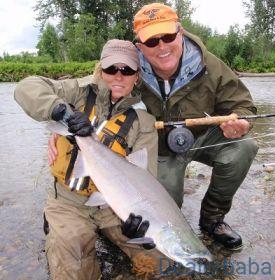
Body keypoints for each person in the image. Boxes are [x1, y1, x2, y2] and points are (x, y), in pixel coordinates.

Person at [50, 3, 258, 251]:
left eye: (168, 36)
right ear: (140, 46)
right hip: (157, 149)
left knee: (244, 148)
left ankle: (213, 220)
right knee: (162, 208)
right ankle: (113, 218)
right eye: (152, 41)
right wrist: (60, 125)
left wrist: (242, 123)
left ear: (180, 33)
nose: (162, 46)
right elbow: (92, 89)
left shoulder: (209, 65)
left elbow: (244, 105)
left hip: (203, 138)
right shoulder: (127, 69)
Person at [14, 39, 168, 280]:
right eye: (111, 69)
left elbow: (145, 181)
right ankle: (56, 222)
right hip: (68, 202)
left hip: (115, 207)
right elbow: (26, 88)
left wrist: (138, 221)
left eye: (127, 70)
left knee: (160, 264)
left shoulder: (144, 121)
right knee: (73, 270)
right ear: (100, 69)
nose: (119, 76)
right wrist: (60, 111)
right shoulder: (77, 91)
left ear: (137, 76)